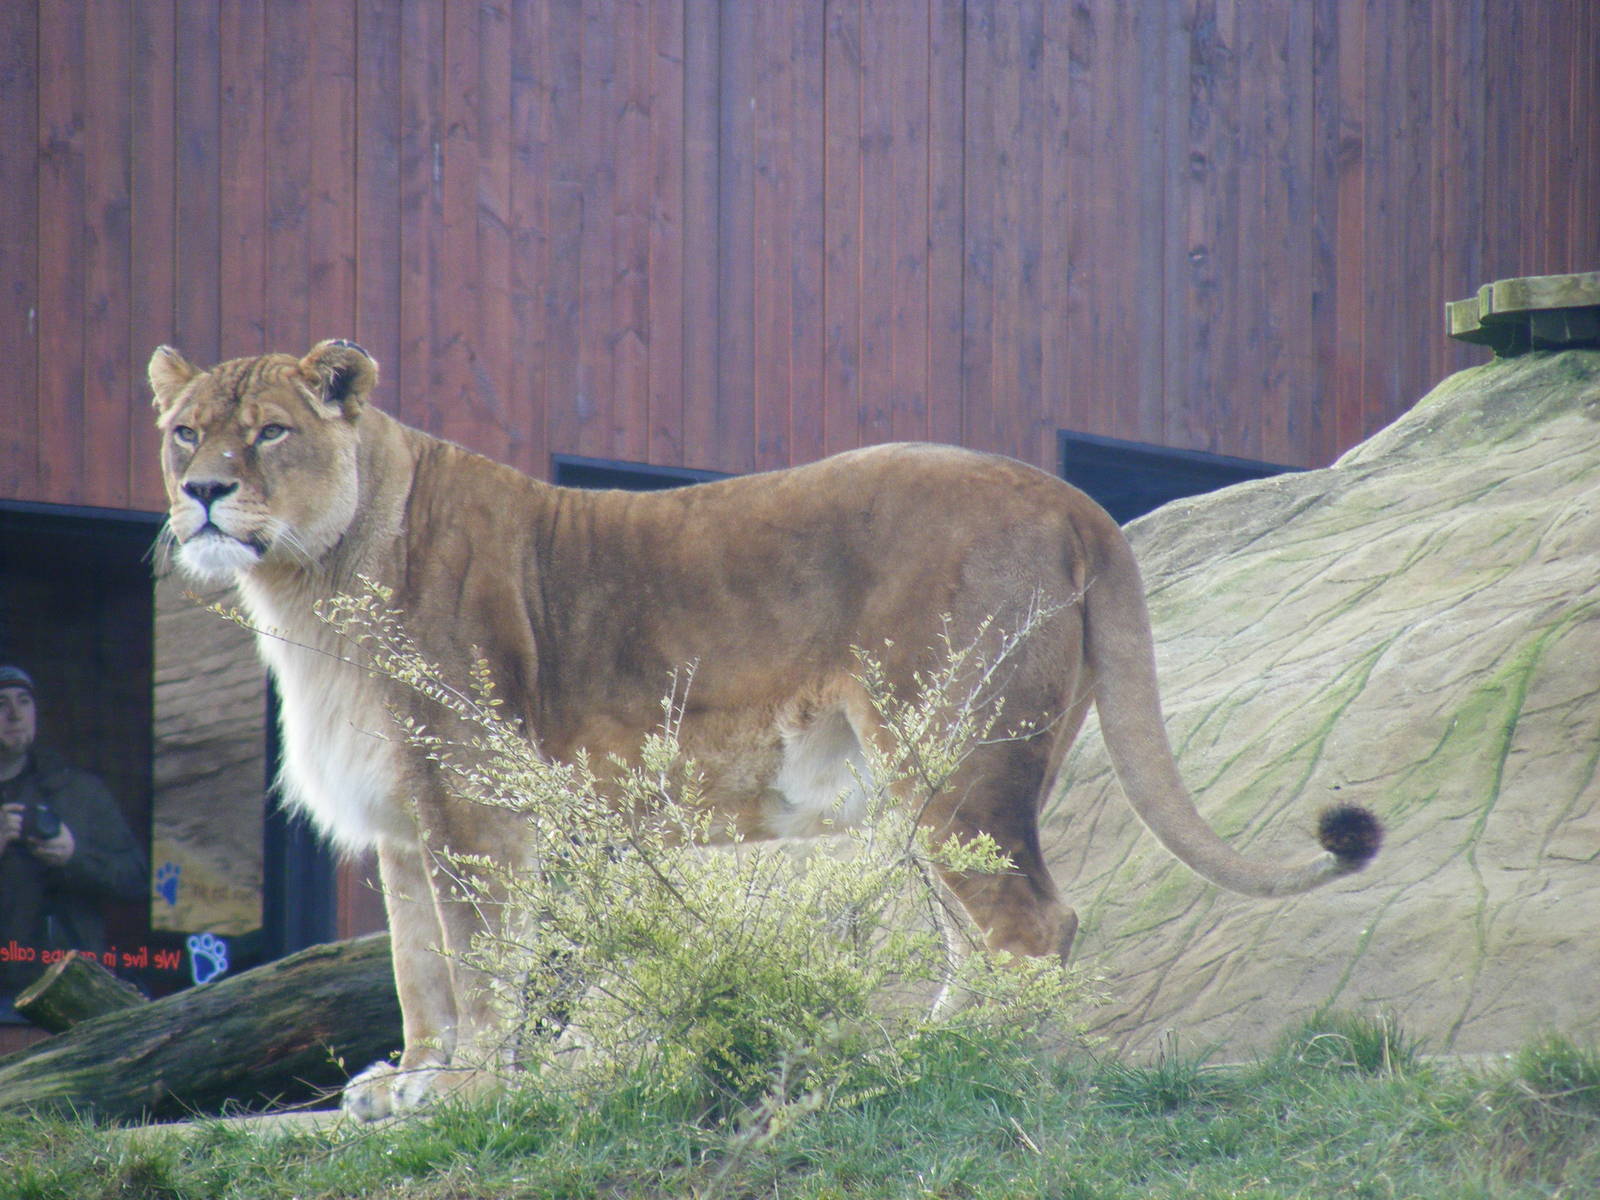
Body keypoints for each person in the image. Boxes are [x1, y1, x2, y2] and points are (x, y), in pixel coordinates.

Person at [0, 664, 148, 997]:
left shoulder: (79, 793)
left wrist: (74, 856)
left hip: (67, 992)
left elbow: (136, 879)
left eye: (24, 701)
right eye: (1, 704)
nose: (14, 715)